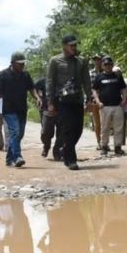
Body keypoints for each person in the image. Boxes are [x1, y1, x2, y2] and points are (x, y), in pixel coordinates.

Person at [46, 34, 92, 171]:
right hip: (62, 101)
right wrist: (50, 102)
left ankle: (65, 149)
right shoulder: (55, 61)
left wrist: (89, 98)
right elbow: (50, 81)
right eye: (71, 45)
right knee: (67, 129)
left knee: (78, 129)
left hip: (77, 99)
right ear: (64, 46)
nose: (74, 47)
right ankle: (71, 159)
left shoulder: (81, 61)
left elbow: (86, 81)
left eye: (75, 45)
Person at [0, 52, 40, 168]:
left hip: (22, 109)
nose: (22, 66)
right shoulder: (3, 75)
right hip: (9, 110)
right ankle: (18, 156)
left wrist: (38, 98)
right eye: (20, 64)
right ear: (12, 63)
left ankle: (9, 158)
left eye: (23, 63)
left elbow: (31, 89)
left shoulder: (25, 75)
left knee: (19, 135)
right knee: (15, 132)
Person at [92, 56, 127, 155]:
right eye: (105, 64)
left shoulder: (117, 76)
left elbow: (123, 88)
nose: (108, 66)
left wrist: (124, 99)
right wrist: (98, 101)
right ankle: (104, 146)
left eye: (109, 64)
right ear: (102, 65)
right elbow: (94, 90)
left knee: (118, 127)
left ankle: (118, 146)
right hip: (104, 107)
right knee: (105, 127)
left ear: (112, 65)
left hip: (117, 105)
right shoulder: (99, 77)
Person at [34, 76, 62, 160]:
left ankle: (57, 151)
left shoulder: (63, 80)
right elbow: (34, 89)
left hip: (61, 110)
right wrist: (38, 98)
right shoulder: (42, 81)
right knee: (45, 132)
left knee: (62, 133)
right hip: (46, 110)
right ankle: (46, 146)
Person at [89, 53, 104, 149]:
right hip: (94, 101)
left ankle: (104, 142)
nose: (97, 61)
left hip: (105, 100)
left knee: (105, 123)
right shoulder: (90, 73)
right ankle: (99, 143)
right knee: (97, 123)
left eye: (98, 59)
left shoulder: (106, 71)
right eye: (95, 60)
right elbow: (88, 87)